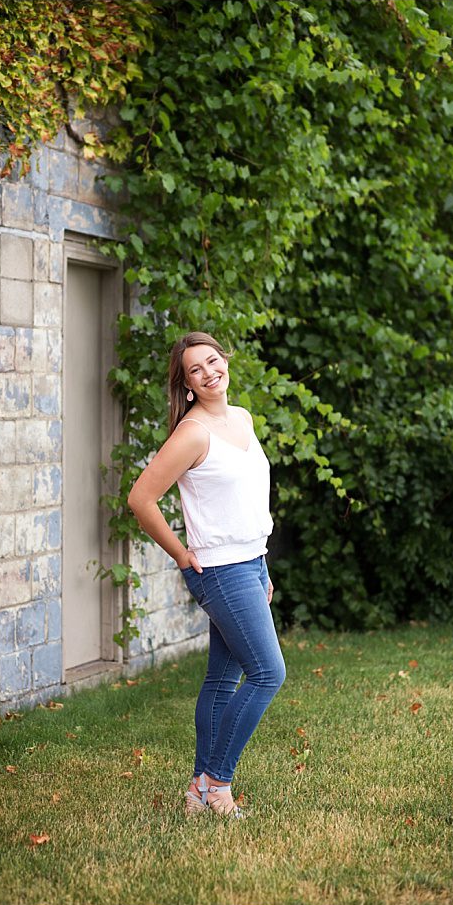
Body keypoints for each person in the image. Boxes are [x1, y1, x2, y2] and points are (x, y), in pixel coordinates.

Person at [125, 332, 285, 820]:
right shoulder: (193, 433)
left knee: (222, 678)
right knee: (267, 672)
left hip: (249, 564)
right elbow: (140, 499)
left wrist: (262, 566)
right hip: (218, 570)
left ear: (225, 362)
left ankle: (198, 794)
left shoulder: (242, 419)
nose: (209, 372)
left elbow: (245, 502)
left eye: (213, 361)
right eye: (196, 369)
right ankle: (217, 782)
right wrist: (179, 553)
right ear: (188, 384)